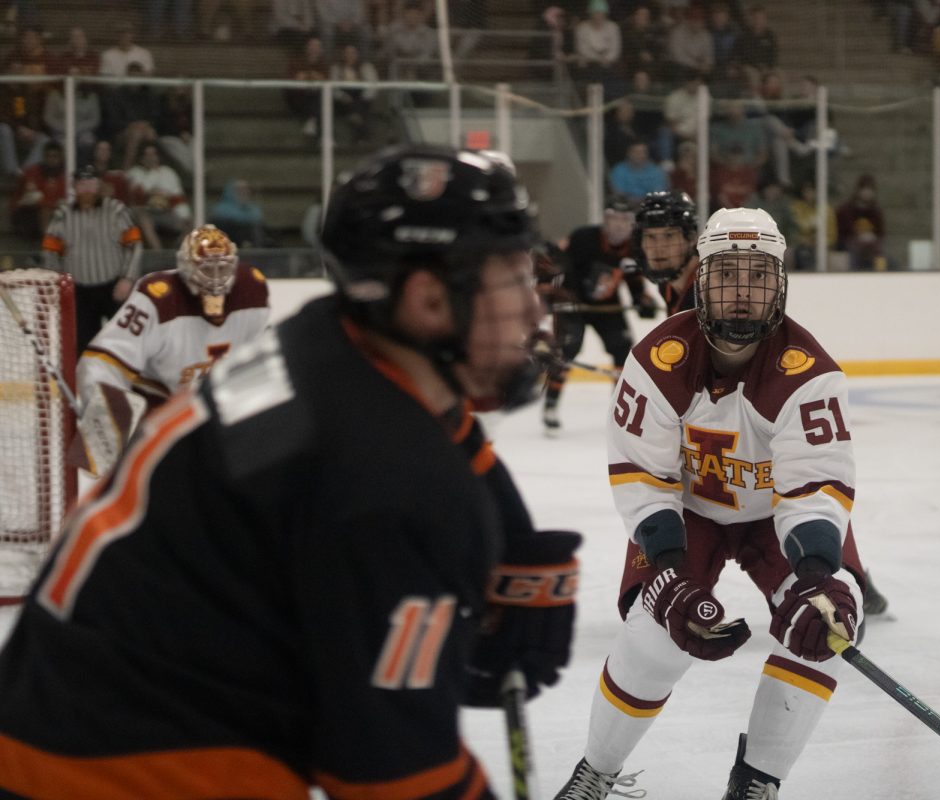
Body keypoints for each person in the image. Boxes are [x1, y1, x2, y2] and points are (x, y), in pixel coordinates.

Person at [0, 144, 581, 798]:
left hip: (44, 723)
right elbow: (397, 776)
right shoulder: (390, 485)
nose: (533, 310)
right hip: (132, 775)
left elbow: (439, 435)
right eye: (510, 279)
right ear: (426, 299)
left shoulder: (327, 346)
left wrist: (516, 539)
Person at [552, 207, 867, 800]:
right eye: (727, 276)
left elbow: (813, 486)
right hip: (690, 513)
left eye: (758, 277)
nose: (743, 293)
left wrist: (818, 571)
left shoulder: (809, 373)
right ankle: (595, 772)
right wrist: (668, 567)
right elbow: (642, 474)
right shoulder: (657, 358)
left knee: (829, 625)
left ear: (780, 286)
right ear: (701, 280)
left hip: (776, 517)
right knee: (654, 635)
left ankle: (757, 781)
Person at [72, 224, 270, 475]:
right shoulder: (157, 298)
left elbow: (258, 362)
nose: (217, 278)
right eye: (207, 269)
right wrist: (107, 421)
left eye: (223, 267)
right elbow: (101, 362)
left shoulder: (252, 289)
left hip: (210, 418)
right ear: (186, 268)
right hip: (154, 414)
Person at [542, 197, 657, 431]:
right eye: (613, 219)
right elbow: (555, 267)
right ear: (605, 220)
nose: (618, 226)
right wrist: (551, 294)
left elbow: (634, 281)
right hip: (573, 304)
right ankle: (551, 404)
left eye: (624, 221)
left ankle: (619, 407)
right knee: (567, 348)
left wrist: (642, 300)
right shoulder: (583, 238)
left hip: (607, 306)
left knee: (623, 350)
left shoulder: (635, 248)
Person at [41, 165, 144, 357]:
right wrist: (58, 281)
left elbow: (135, 245)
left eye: (91, 184)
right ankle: (85, 384)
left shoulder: (116, 210)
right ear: (74, 187)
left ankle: (125, 382)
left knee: (124, 340)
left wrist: (128, 279)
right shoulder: (63, 214)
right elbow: (50, 251)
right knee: (83, 344)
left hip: (113, 288)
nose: (87, 189)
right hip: (79, 292)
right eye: (82, 184)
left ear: (99, 186)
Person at [632, 189, 699, 316]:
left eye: (669, 235)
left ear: (691, 237)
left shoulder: (712, 288)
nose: (659, 248)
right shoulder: (667, 285)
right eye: (650, 237)